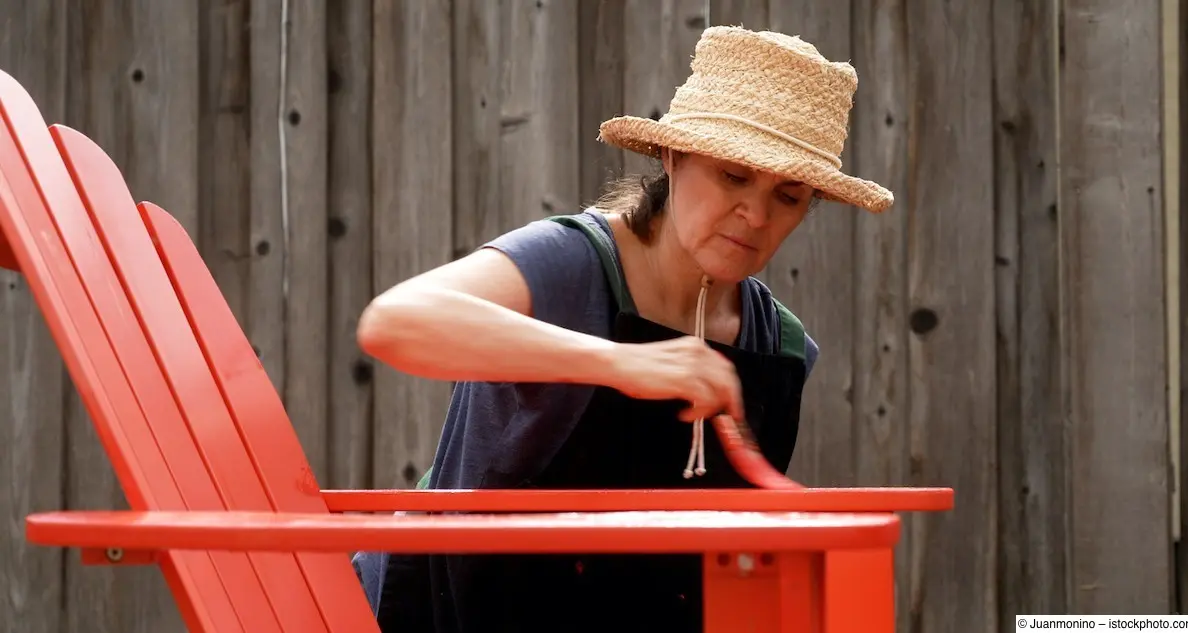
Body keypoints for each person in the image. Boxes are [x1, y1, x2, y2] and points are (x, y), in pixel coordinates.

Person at [351, 25, 894, 633]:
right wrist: (620, 362)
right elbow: (394, 323)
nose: (757, 214)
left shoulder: (781, 348)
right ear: (673, 156)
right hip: (440, 609)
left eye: (789, 196)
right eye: (734, 176)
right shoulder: (569, 261)